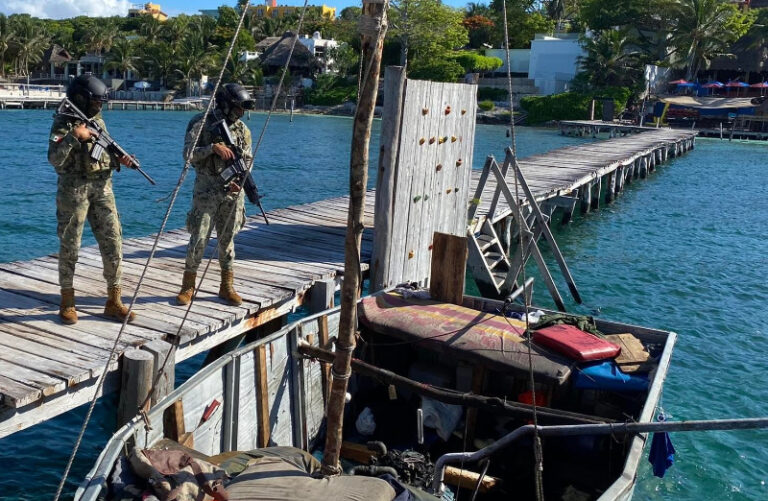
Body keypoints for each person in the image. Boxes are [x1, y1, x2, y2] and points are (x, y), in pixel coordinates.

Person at [48, 74, 136, 324]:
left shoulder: (98, 121)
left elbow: (105, 150)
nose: (100, 106)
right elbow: (54, 159)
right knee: (69, 246)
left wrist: (121, 159)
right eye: (96, 101)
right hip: (73, 191)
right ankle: (67, 301)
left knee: (113, 242)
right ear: (81, 99)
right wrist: (76, 136)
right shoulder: (63, 123)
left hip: (103, 189)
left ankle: (114, 300)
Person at [176, 83, 254, 307]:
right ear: (227, 104)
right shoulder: (201, 123)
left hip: (231, 194)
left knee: (227, 241)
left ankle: (227, 286)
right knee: (198, 238)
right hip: (207, 191)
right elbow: (188, 154)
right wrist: (212, 148)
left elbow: (247, 162)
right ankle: (188, 285)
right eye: (239, 107)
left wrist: (240, 184)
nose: (242, 112)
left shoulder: (242, 130)